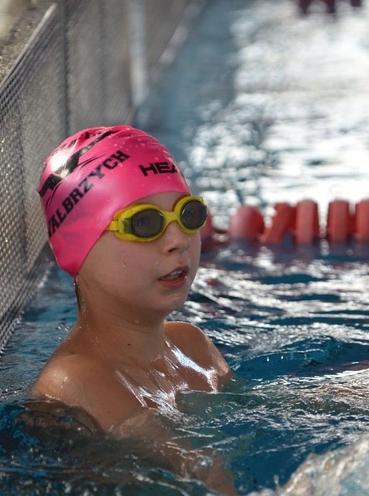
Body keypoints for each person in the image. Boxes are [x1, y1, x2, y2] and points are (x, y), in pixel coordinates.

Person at [31, 125, 234, 493]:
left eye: (188, 215)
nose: (177, 241)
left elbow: (263, 405)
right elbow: (198, 468)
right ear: (78, 246)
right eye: (145, 224)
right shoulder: (76, 380)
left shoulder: (192, 345)